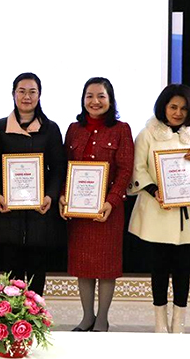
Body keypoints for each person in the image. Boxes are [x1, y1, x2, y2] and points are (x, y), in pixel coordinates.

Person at [128, 84, 190, 334]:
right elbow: (138, 169)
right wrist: (155, 191)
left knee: (184, 270)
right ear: (163, 106)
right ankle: (160, 322)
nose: (178, 112)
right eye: (173, 106)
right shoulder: (147, 133)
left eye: (184, 108)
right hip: (157, 213)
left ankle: (179, 322)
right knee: (159, 269)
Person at [59, 78, 134, 332]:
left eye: (101, 96)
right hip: (79, 211)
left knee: (106, 266)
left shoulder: (121, 129)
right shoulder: (73, 129)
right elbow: (65, 167)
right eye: (89, 96)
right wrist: (63, 195)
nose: (95, 101)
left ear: (110, 100)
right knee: (83, 265)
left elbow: (125, 171)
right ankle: (86, 317)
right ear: (83, 99)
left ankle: (102, 319)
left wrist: (111, 201)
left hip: (108, 212)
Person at [0, 72, 66, 296]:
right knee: (10, 275)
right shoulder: (0, 127)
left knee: (36, 273)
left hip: (39, 212)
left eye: (32, 91)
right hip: (9, 212)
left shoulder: (50, 128)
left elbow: (58, 167)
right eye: (21, 91)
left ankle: (33, 323)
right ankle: (12, 324)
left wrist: (50, 195)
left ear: (40, 95)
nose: (26, 96)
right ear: (13, 94)